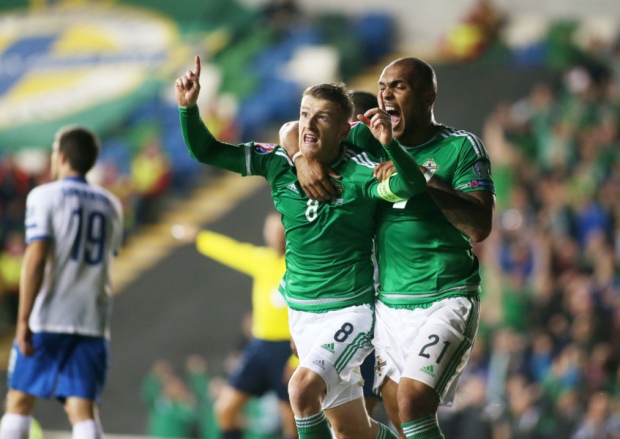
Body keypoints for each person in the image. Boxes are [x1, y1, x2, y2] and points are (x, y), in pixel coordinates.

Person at [175, 55, 427, 439]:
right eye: (304, 114)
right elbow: (208, 151)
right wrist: (188, 108)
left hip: (354, 310)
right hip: (303, 316)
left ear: (346, 129)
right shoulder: (278, 163)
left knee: (301, 388)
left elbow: (410, 186)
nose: (307, 124)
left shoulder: (361, 173)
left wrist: (391, 147)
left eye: (321, 117)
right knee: (351, 430)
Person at [284, 57, 495, 439]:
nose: (386, 95)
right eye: (383, 87)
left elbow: (479, 226)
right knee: (396, 418)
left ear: (429, 97)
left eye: (398, 87)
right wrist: (301, 158)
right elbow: (291, 130)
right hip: (389, 303)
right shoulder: (369, 140)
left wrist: (420, 180)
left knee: (413, 401)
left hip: (445, 294)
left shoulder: (460, 146)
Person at [0, 126, 124, 439]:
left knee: (19, 399)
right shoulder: (111, 204)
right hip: (92, 320)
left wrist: (24, 319)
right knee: (83, 409)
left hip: (48, 316)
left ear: (63, 156)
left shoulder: (44, 195)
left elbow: (37, 257)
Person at [189, 212, 297, 439]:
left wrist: (298, 359)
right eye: (272, 231)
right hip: (259, 348)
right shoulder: (262, 259)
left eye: (281, 231)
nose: (277, 236)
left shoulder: (300, 265)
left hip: (289, 350)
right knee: (225, 409)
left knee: (292, 421)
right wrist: (199, 237)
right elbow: (231, 250)